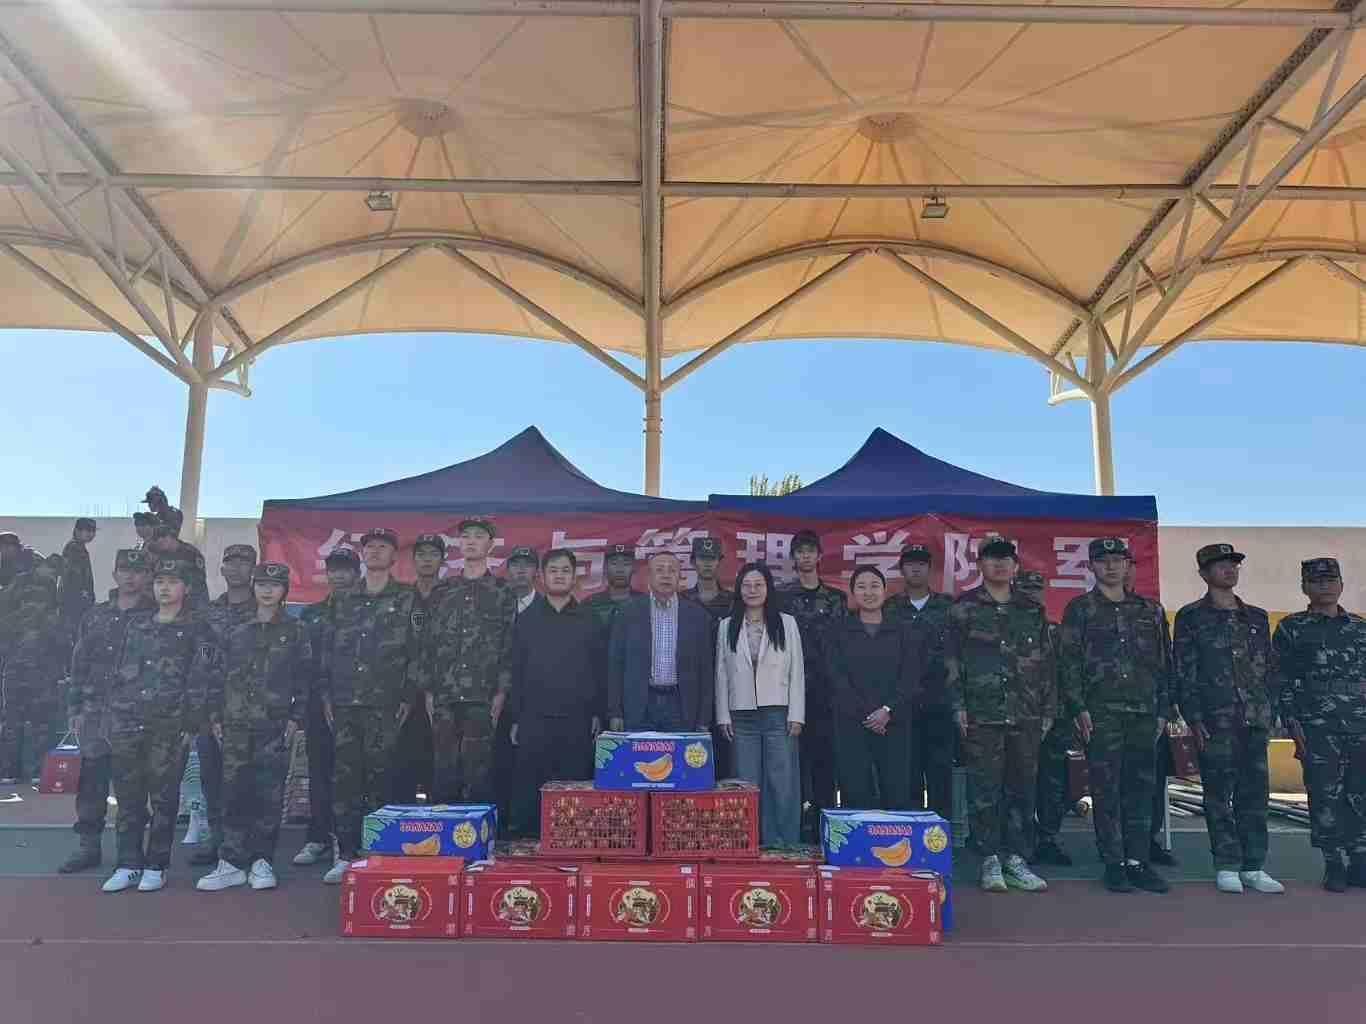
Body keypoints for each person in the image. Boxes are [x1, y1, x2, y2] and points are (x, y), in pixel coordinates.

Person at [1058, 538, 1174, 894]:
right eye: (1103, 560)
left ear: (1128, 565)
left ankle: (1138, 861)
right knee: (1106, 790)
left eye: (1117, 560)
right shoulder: (1080, 609)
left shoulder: (1150, 610)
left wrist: (1163, 710)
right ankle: (1114, 862)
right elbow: (1068, 663)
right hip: (1101, 713)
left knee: (1142, 789)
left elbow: (1165, 663)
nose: (1110, 566)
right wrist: (1077, 707)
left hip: (1144, 712)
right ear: (1091, 566)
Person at [1173, 542, 1284, 895]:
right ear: (1204, 573)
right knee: (1219, 796)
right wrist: (1194, 717)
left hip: (1254, 718)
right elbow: (1184, 671)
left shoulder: (1256, 617)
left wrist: (1270, 709)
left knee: (1255, 795)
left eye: (1233, 564)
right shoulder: (1192, 617)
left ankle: (1253, 865)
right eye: (1221, 565)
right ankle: (1226, 864)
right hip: (1214, 719)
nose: (1229, 570)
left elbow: (1269, 668)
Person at [101, 558, 217, 893]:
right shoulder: (136, 625)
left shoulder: (198, 628)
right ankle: (128, 863)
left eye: (172, 581)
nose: (164, 588)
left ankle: (157, 864)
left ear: (186, 588)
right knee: (128, 797)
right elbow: (117, 671)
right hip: (128, 721)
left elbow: (202, 677)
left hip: (169, 724)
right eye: (159, 582)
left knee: (164, 798)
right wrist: (112, 714)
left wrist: (191, 722)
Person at [946, 537, 1053, 894]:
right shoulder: (963, 609)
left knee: (1022, 788)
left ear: (1015, 566)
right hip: (982, 713)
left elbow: (1047, 662)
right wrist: (958, 705)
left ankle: (1016, 859)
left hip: (1026, 713)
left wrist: (1048, 709)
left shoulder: (1031, 609)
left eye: (1006, 559)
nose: (999, 564)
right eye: (992, 559)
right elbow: (951, 662)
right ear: (980, 566)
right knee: (984, 789)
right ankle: (989, 859)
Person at [197, 563, 312, 892]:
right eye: (261, 584)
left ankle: (262, 861)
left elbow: (305, 678)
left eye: (274, 585)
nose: (267, 591)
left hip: (274, 725)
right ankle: (232, 862)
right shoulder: (235, 629)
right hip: (234, 723)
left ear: (284, 590)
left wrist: (296, 718)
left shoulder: (295, 630)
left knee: (269, 794)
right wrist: (215, 716)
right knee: (233, 791)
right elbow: (216, 675)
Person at [319, 527, 417, 885]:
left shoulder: (407, 598)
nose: (375, 551)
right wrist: (326, 695)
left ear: (394, 556)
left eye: (383, 547)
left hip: (385, 703)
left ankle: (379, 852)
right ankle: (346, 853)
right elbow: (327, 650)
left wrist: (408, 696)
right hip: (345, 702)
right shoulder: (342, 599)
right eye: (370, 546)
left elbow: (416, 650)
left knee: (383, 777)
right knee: (345, 780)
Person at [1273, 557, 1366, 892]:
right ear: (1305, 587)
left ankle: (1360, 858)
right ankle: (1333, 861)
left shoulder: (1360, 628)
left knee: (1360, 791)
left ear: (1341, 585)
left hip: (1359, 722)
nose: (1324, 586)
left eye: (1330, 580)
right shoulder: (1291, 628)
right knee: (1324, 792)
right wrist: (1291, 722)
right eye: (1316, 581)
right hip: (1316, 725)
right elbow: (1280, 679)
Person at [59, 548, 155, 874]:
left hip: (135, 716)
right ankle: (88, 846)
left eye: (138, 571)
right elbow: (79, 663)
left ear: (147, 576)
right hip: (95, 714)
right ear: (114, 574)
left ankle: (130, 852)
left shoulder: (156, 616)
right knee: (92, 784)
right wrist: (74, 706)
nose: (130, 577)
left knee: (133, 787)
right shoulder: (95, 615)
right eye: (124, 570)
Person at [420, 518, 516, 808]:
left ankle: (478, 833)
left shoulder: (502, 591)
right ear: (459, 544)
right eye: (466, 536)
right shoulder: (442, 591)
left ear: (490, 545)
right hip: (445, 694)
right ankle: (442, 831)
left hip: (482, 694)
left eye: (478, 536)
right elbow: (427, 642)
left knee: (479, 772)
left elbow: (508, 645)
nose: (471, 541)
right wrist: (428, 690)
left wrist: (501, 692)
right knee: (443, 770)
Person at [508, 549, 603, 836]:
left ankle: (572, 844)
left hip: (577, 718)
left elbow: (600, 669)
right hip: (534, 718)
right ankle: (527, 844)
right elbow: (516, 671)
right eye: (553, 570)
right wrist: (516, 717)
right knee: (529, 787)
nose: (559, 576)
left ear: (574, 578)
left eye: (565, 571)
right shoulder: (526, 619)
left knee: (574, 787)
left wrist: (597, 712)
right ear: (542, 577)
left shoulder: (590, 619)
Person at [716, 562, 805, 847]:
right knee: (746, 781)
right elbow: (721, 673)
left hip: (778, 711)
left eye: (758, 585)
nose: (752, 590)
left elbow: (797, 671)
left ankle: (785, 841)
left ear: (768, 589)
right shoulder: (727, 626)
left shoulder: (786, 623)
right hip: (741, 714)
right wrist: (723, 715)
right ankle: (750, 841)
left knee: (782, 779)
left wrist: (797, 714)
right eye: (746, 585)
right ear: (739, 590)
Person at [824, 565, 920, 812]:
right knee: (855, 790)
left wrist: (887, 710)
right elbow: (836, 676)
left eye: (875, 586)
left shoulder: (904, 630)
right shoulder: (837, 631)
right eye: (862, 587)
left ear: (885, 590)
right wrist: (867, 714)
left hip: (894, 723)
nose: (869, 592)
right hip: (851, 723)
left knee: (896, 791)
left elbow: (910, 676)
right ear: (853, 593)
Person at [189, 543, 259, 865]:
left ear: (253, 569)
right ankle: (217, 838)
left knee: (247, 779)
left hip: (251, 709)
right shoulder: (209, 612)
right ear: (222, 569)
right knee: (212, 777)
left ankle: (246, 841)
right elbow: (202, 656)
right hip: (212, 707)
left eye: (243, 563)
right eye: (230, 562)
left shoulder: (265, 609)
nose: (236, 569)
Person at [291, 546, 359, 868]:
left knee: (352, 774)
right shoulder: (312, 614)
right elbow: (302, 662)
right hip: (319, 704)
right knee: (320, 771)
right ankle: (318, 836)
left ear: (356, 574)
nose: (339, 575)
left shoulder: (366, 611)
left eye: (345, 569)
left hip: (357, 703)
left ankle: (349, 841)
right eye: (334, 569)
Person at [780, 529, 847, 836]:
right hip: (789, 690)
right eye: (800, 551)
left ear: (819, 556)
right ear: (793, 557)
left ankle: (825, 827)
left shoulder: (836, 599)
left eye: (810, 551)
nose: (805, 556)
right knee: (792, 761)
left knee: (825, 760)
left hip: (827, 692)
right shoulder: (781, 597)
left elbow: (845, 646)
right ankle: (793, 826)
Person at [884, 543, 956, 818]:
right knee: (906, 775)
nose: (916, 569)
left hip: (940, 703)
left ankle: (940, 834)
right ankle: (910, 833)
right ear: (902, 570)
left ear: (930, 569)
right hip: (902, 705)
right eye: (910, 564)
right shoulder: (890, 608)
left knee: (941, 775)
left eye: (921, 564)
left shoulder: (949, 607)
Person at [608, 550, 714, 732]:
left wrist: (704, 718)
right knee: (639, 752)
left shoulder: (697, 615)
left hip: (681, 706)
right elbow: (615, 664)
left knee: (679, 752)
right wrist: (614, 712)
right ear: (649, 576)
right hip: (639, 704)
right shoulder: (627, 613)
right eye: (659, 570)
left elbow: (706, 670)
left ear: (680, 576)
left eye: (672, 570)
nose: (666, 575)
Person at [1018, 570, 1072, 867]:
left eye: (1036, 590)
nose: (1031, 595)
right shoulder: (1005, 631)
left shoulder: (1056, 632)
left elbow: (1068, 674)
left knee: (1053, 782)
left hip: (1055, 719)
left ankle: (1048, 838)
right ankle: (1020, 839)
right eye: (1024, 590)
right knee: (1018, 781)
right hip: (1017, 718)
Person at [391, 533, 447, 804]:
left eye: (433, 554)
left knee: (440, 766)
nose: (427, 560)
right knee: (402, 766)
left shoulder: (452, 595)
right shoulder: (401, 597)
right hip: (405, 695)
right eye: (421, 554)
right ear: (413, 560)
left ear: (443, 560)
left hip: (442, 694)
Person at [0, 552, 64, 785]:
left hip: (27, 671)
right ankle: (29, 770)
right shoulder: (45, 616)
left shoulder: (12, 615)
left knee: (20, 722)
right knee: (33, 722)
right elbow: (60, 643)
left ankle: (12, 771)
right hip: (33, 671)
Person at [682, 537, 734, 777]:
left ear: (719, 562)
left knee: (725, 755)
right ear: (693, 562)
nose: (707, 564)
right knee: (690, 755)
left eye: (712, 559)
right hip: (691, 685)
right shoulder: (682, 600)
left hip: (726, 685)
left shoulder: (733, 601)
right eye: (702, 558)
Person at [147, 521, 209, 606]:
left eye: (164, 536)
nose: (160, 540)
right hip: (170, 602)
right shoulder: (159, 554)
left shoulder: (190, 553)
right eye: (156, 538)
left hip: (195, 601)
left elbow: (199, 582)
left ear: (173, 536)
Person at [586, 544, 641, 632]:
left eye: (626, 564)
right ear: (605, 568)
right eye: (614, 563)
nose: (620, 570)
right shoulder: (590, 604)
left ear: (634, 568)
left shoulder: (645, 603)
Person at [58, 518, 97, 638]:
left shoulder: (78, 547)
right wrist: (84, 595)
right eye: (88, 530)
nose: (91, 534)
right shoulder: (74, 548)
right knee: (75, 634)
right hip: (74, 600)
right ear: (77, 531)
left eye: (93, 531)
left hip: (75, 599)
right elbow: (73, 577)